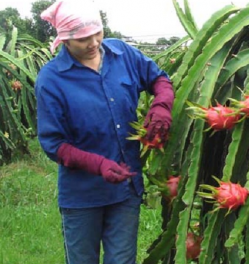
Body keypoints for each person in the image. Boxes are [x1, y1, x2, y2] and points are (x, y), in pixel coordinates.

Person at [35, 1, 174, 263]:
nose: (93, 43)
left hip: (126, 190)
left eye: (97, 33)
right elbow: (53, 143)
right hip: (82, 196)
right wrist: (97, 164)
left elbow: (160, 79)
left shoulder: (122, 54)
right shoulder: (51, 79)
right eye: (82, 39)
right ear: (64, 39)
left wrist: (162, 105)